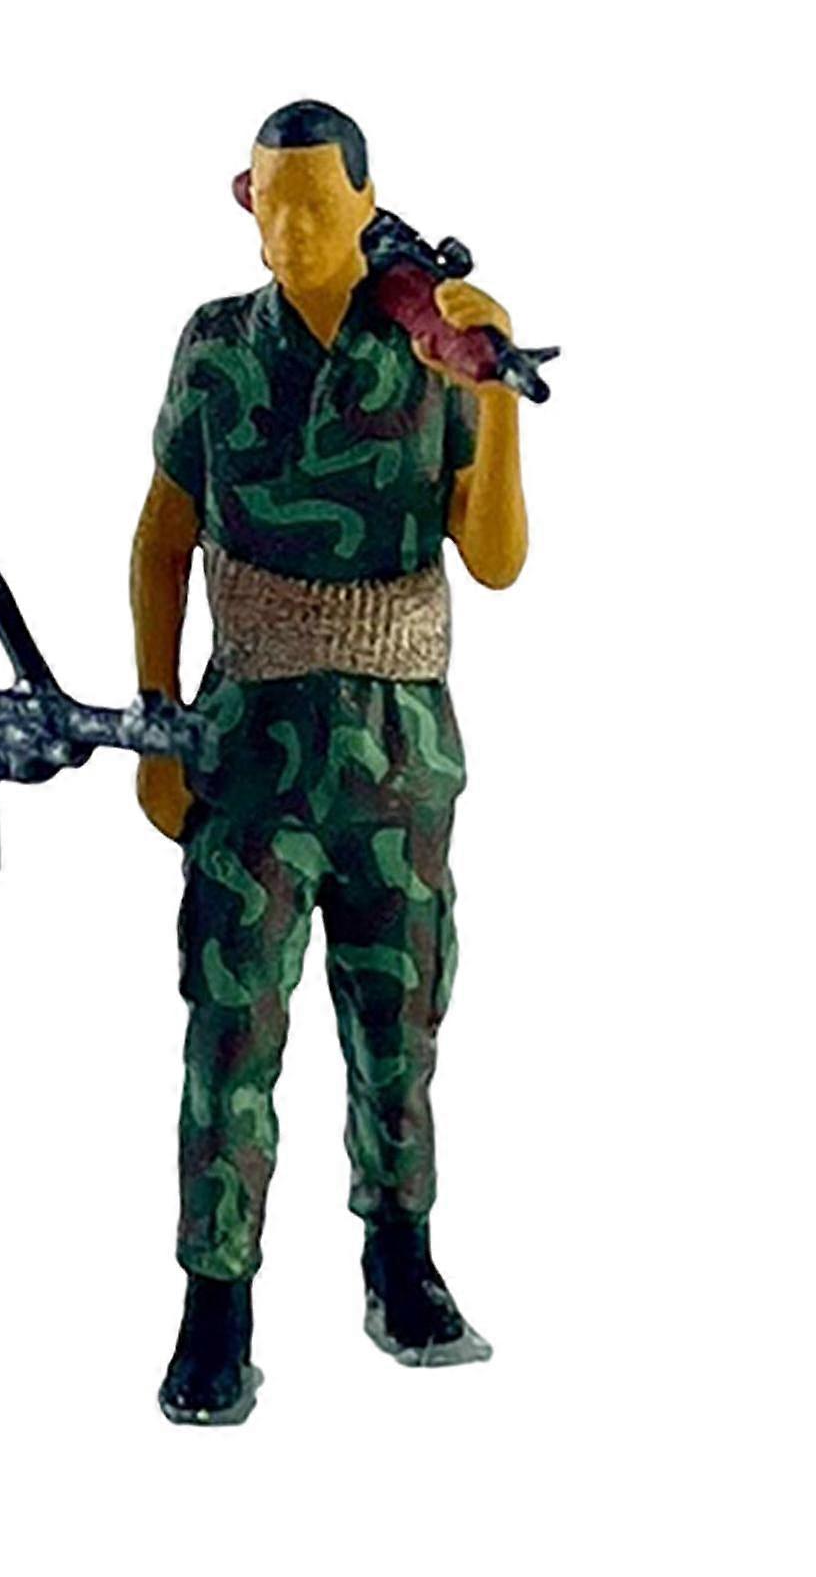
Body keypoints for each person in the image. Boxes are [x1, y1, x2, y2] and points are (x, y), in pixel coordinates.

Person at [130, 100, 529, 1423]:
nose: (294, 227)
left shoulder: (426, 346)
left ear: (368, 204)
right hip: (245, 749)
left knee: (398, 1023)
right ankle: (215, 1305)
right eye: (274, 200)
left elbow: (496, 558)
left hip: (397, 760)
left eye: (320, 201)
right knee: (228, 1031)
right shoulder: (216, 345)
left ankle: (400, 1264)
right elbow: (162, 538)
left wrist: (495, 397)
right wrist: (156, 723)